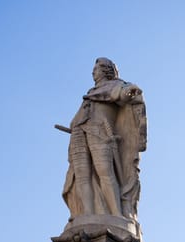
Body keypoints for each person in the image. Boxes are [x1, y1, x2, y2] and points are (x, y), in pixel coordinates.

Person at [63, 57, 147, 222]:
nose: (93, 72)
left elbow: (125, 94)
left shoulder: (116, 86)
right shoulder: (91, 93)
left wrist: (131, 91)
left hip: (100, 132)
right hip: (80, 132)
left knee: (105, 173)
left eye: (97, 68)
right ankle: (87, 213)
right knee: (82, 175)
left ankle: (116, 214)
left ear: (106, 70)